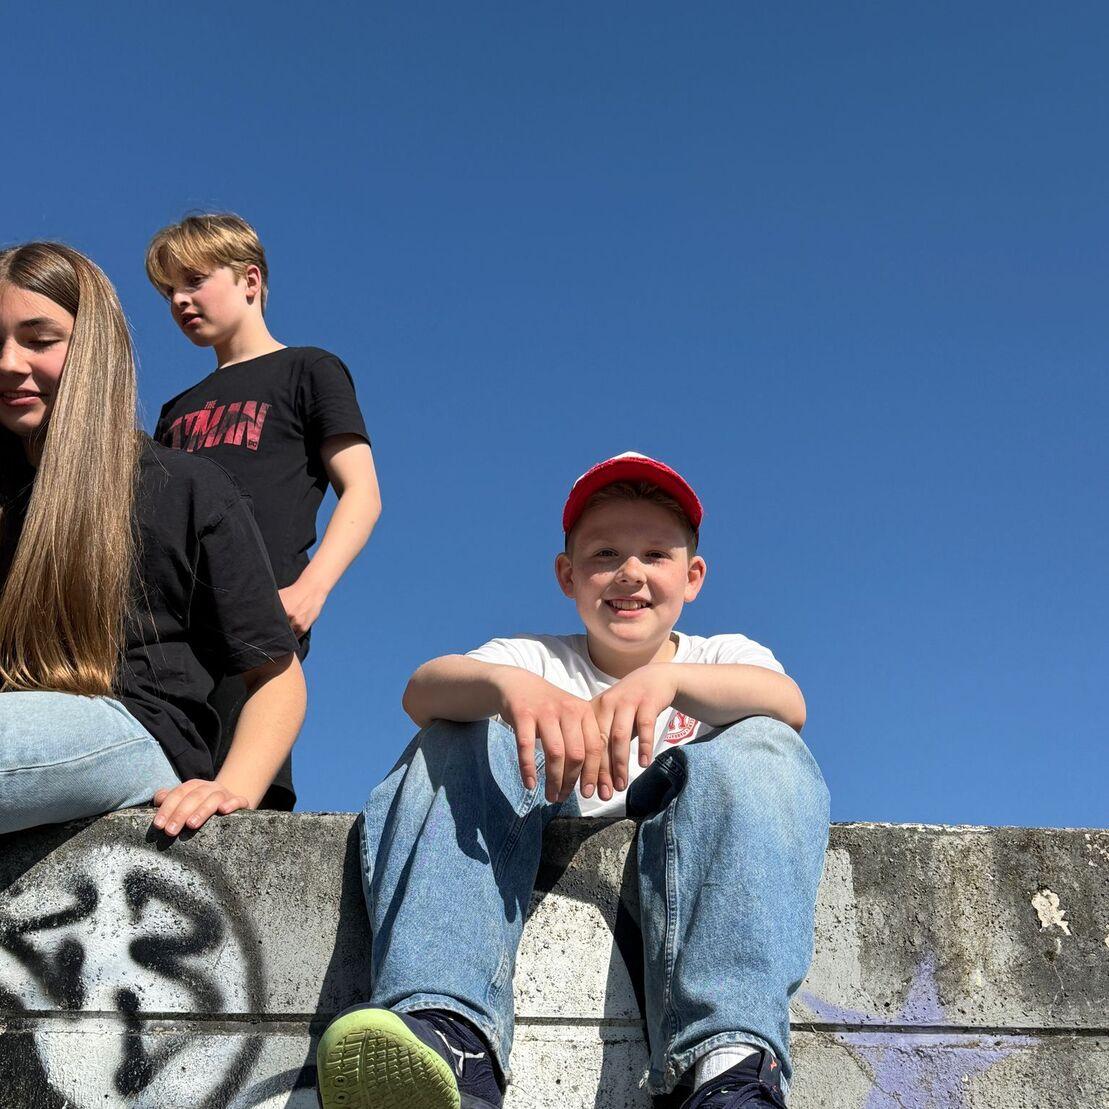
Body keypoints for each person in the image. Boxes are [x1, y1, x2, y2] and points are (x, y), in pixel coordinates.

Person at [315, 452, 829, 1108]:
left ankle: (728, 1066)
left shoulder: (721, 656)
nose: (630, 573)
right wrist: (506, 688)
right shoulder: (533, 658)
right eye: (605, 553)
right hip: (534, 819)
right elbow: (420, 692)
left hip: (685, 845)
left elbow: (789, 703)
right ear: (567, 575)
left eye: (655, 554)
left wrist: (668, 681)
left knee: (763, 742)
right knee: (457, 729)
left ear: (693, 576)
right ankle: (449, 1036)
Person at [0, 241, 306, 838]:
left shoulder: (187, 488)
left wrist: (235, 787)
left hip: (130, 725)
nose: (9, 362)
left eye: (39, 340)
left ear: (93, 348)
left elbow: (276, 674)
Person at [145, 213, 381, 809]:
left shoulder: (308, 369)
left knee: (240, 796)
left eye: (194, 280)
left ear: (250, 280)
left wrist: (311, 589)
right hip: (169, 628)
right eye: (169, 290)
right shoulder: (176, 410)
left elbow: (363, 492)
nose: (179, 300)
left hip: (257, 613)